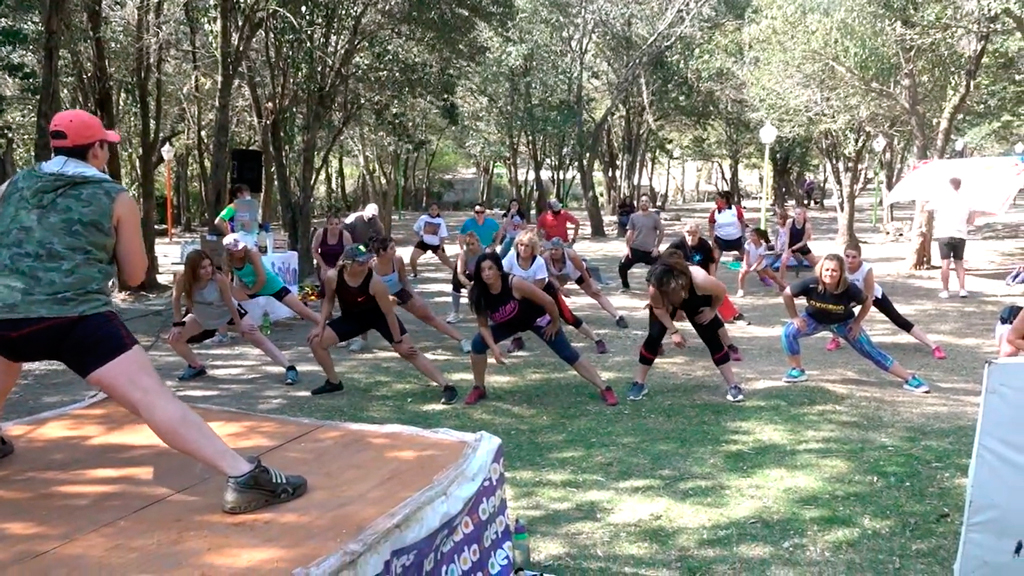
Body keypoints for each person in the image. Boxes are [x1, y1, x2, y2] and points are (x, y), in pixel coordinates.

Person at [0, 109, 306, 512]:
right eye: (105, 146)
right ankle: (243, 475)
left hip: (5, 313)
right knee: (152, 398)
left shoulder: (11, 185)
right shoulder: (114, 196)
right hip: (76, 317)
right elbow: (135, 273)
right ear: (95, 150)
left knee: (7, 352)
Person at [307, 244, 460, 403]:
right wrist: (321, 325)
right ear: (347, 263)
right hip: (353, 318)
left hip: (379, 316)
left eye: (367, 261)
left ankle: (447, 386)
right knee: (316, 342)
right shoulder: (333, 277)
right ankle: (334, 382)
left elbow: (388, 313)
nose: (365, 266)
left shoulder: (375, 281)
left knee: (409, 351)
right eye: (360, 263)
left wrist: (398, 342)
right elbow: (329, 300)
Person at [464, 252, 618, 406]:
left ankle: (604, 388)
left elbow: (549, 301)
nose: (487, 273)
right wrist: (494, 349)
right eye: (483, 270)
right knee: (478, 343)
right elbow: (483, 326)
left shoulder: (514, 283)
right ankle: (479, 387)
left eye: (490, 268)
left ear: (499, 269)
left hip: (538, 319)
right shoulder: (479, 292)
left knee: (567, 353)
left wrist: (555, 323)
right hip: (510, 323)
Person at [780, 254, 931, 393]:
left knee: (871, 352)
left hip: (844, 323)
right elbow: (787, 293)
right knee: (788, 332)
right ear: (820, 270)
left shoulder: (849, 288)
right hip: (815, 320)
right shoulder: (811, 284)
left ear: (840, 273)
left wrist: (857, 322)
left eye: (834, 270)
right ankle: (797, 370)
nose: (829, 273)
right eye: (826, 269)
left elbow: (867, 302)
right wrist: (795, 317)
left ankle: (910, 378)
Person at [626, 249, 745, 403]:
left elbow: (721, 291)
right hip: (665, 305)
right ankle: (639, 382)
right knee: (654, 338)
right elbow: (658, 309)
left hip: (695, 300)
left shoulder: (699, 279)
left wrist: (712, 310)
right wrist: (673, 331)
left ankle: (733, 385)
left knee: (711, 338)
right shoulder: (656, 285)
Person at [169, 250, 300, 384]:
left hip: (228, 314)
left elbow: (229, 302)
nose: (208, 270)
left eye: (209, 265)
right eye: (203, 268)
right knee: (174, 338)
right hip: (202, 316)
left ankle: (289, 368)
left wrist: (239, 324)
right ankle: (195, 366)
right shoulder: (183, 279)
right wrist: (178, 325)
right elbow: (176, 300)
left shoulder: (218, 279)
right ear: (192, 269)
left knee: (257, 338)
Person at [825, 243, 946, 359]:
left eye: (854, 257)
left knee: (897, 319)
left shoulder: (866, 269)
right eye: (847, 256)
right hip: (851, 296)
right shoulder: (840, 267)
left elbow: (867, 298)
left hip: (871, 295)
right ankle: (835, 339)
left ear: (859, 257)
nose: (850, 260)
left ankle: (934, 346)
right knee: (833, 311)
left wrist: (857, 323)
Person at [503, 230, 608, 355]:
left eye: (527, 246)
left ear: (533, 248)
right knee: (509, 310)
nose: (523, 249)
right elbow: (502, 277)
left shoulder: (538, 262)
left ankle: (597, 340)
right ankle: (516, 339)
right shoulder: (511, 256)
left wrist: (547, 316)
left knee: (568, 316)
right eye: (521, 245)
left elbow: (538, 288)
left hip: (544, 290)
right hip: (520, 291)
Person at [370, 236, 472, 353]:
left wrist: (414, 296)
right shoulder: (371, 266)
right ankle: (361, 340)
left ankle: (462, 340)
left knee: (428, 316)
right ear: (382, 252)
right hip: (379, 296)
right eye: (392, 248)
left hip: (399, 291)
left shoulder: (397, 260)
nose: (395, 250)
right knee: (366, 314)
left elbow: (404, 280)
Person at [223, 233, 321, 325]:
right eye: (236, 250)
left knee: (301, 310)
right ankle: (230, 325)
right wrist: (239, 287)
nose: (240, 251)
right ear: (229, 251)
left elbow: (262, 278)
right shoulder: (227, 261)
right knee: (225, 294)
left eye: (241, 248)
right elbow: (225, 281)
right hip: (251, 287)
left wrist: (252, 291)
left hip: (271, 286)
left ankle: (325, 325)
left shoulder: (252, 255)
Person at [544, 237, 629, 329]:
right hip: (558, 276)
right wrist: (560, 288)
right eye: (551, 249)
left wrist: (592, 285)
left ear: (562, 249)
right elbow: (548, 276)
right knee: (550, 294)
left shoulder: (571, 255)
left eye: (556, 249)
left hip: (576, 272)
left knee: (595, 293)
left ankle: (618, 316)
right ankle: (552, 317)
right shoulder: (546, 258)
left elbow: (582, 270)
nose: (553, 252)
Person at [924, 177, 976, 298]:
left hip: (944, 234)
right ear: (960, 185)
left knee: (945, 264)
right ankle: (962, 289)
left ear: (949, 185)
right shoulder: (968, 199)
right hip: (960, 235)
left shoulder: (941, 197)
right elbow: (971, 220)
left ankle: (945, 290)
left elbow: (927, 207)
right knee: (959, 262)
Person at [619, 194, 664, 292]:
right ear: (639, 203)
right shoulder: (633, 217)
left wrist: (656, 247)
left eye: (646, 201)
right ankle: (625, 286)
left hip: (649, 250)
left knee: (662, 267)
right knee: (622, 266)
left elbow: (661, 232)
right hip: (635, 248)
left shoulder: (654, 217)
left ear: (649, 204)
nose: (644, 203)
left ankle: (657, 289)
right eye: (642, 201)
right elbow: (629, 232)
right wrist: (627, 247)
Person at [447, 232, 485, 324]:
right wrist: (468, 285)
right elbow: (460, 273)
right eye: (468, 245)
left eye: (473, 244)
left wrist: (476, 283)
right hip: (471, 275)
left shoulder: (485, 251)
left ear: (478, 242)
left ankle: (489, 310)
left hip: (483, 275)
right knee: (456, 280)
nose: (470, 247)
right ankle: (455, 312)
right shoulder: (463, 254)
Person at [737, 227, 786, 297]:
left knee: (773, 276)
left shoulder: (763, 246)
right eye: (750, 235)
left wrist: (753, 268)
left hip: (761, 265)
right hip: (749, 263)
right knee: (742, 273)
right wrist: (745, 265)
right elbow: (746, 255)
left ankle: (785, 287)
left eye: (753, 236)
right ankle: (740, 290)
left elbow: (760, 260)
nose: (751, 237)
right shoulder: (748, 243)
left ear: (759, 237)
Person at [410, 202, 455, 276]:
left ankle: (458, 273)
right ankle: (414, 273)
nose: (433, 211)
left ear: (438, 211)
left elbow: (443, 236)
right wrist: (419, 236)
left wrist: (440, 247)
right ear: (429, 210)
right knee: (413, 258)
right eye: (432, 209)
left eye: (435, 210)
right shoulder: (423, 218)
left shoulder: (440, 221)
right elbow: (415, 229)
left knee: (447, 261)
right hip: (424, 243)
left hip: (436, 244)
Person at [311, 214, 351, 296]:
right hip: (324, 262)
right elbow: (314, 251)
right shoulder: (320, 234)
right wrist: (323, 267)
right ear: (327, 225)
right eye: (331, 224)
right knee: (325, 286)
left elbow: (348, 252)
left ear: (340, 225)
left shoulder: (345, 235)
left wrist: (338, 266)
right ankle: (324, 299)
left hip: (340, 264)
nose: (334, 226)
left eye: (337, 224)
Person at [778, 207, 817, 279]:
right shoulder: (789, 222)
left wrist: (793, 249)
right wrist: (786, 251)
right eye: (795, 214)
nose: (797, 216)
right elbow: (787, 238)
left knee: (815, 263)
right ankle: (781, 281)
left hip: (801, 246)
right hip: (790, 245)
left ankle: (820, 278)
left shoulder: (807, 226)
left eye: (799, 214)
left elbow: (804, 241)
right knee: (783, 261)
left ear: (803, 215)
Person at [708, 191, 746, 261]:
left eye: (717, 199)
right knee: (714, 259)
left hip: (737, 239)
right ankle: (712, 272)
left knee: (747, 258)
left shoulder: (736, 209)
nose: (715, 201)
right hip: (720, 240)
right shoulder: (714, 212)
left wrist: (743, 235)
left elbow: (742, 222)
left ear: (724, 199)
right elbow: (711, 227)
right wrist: (712, 241)